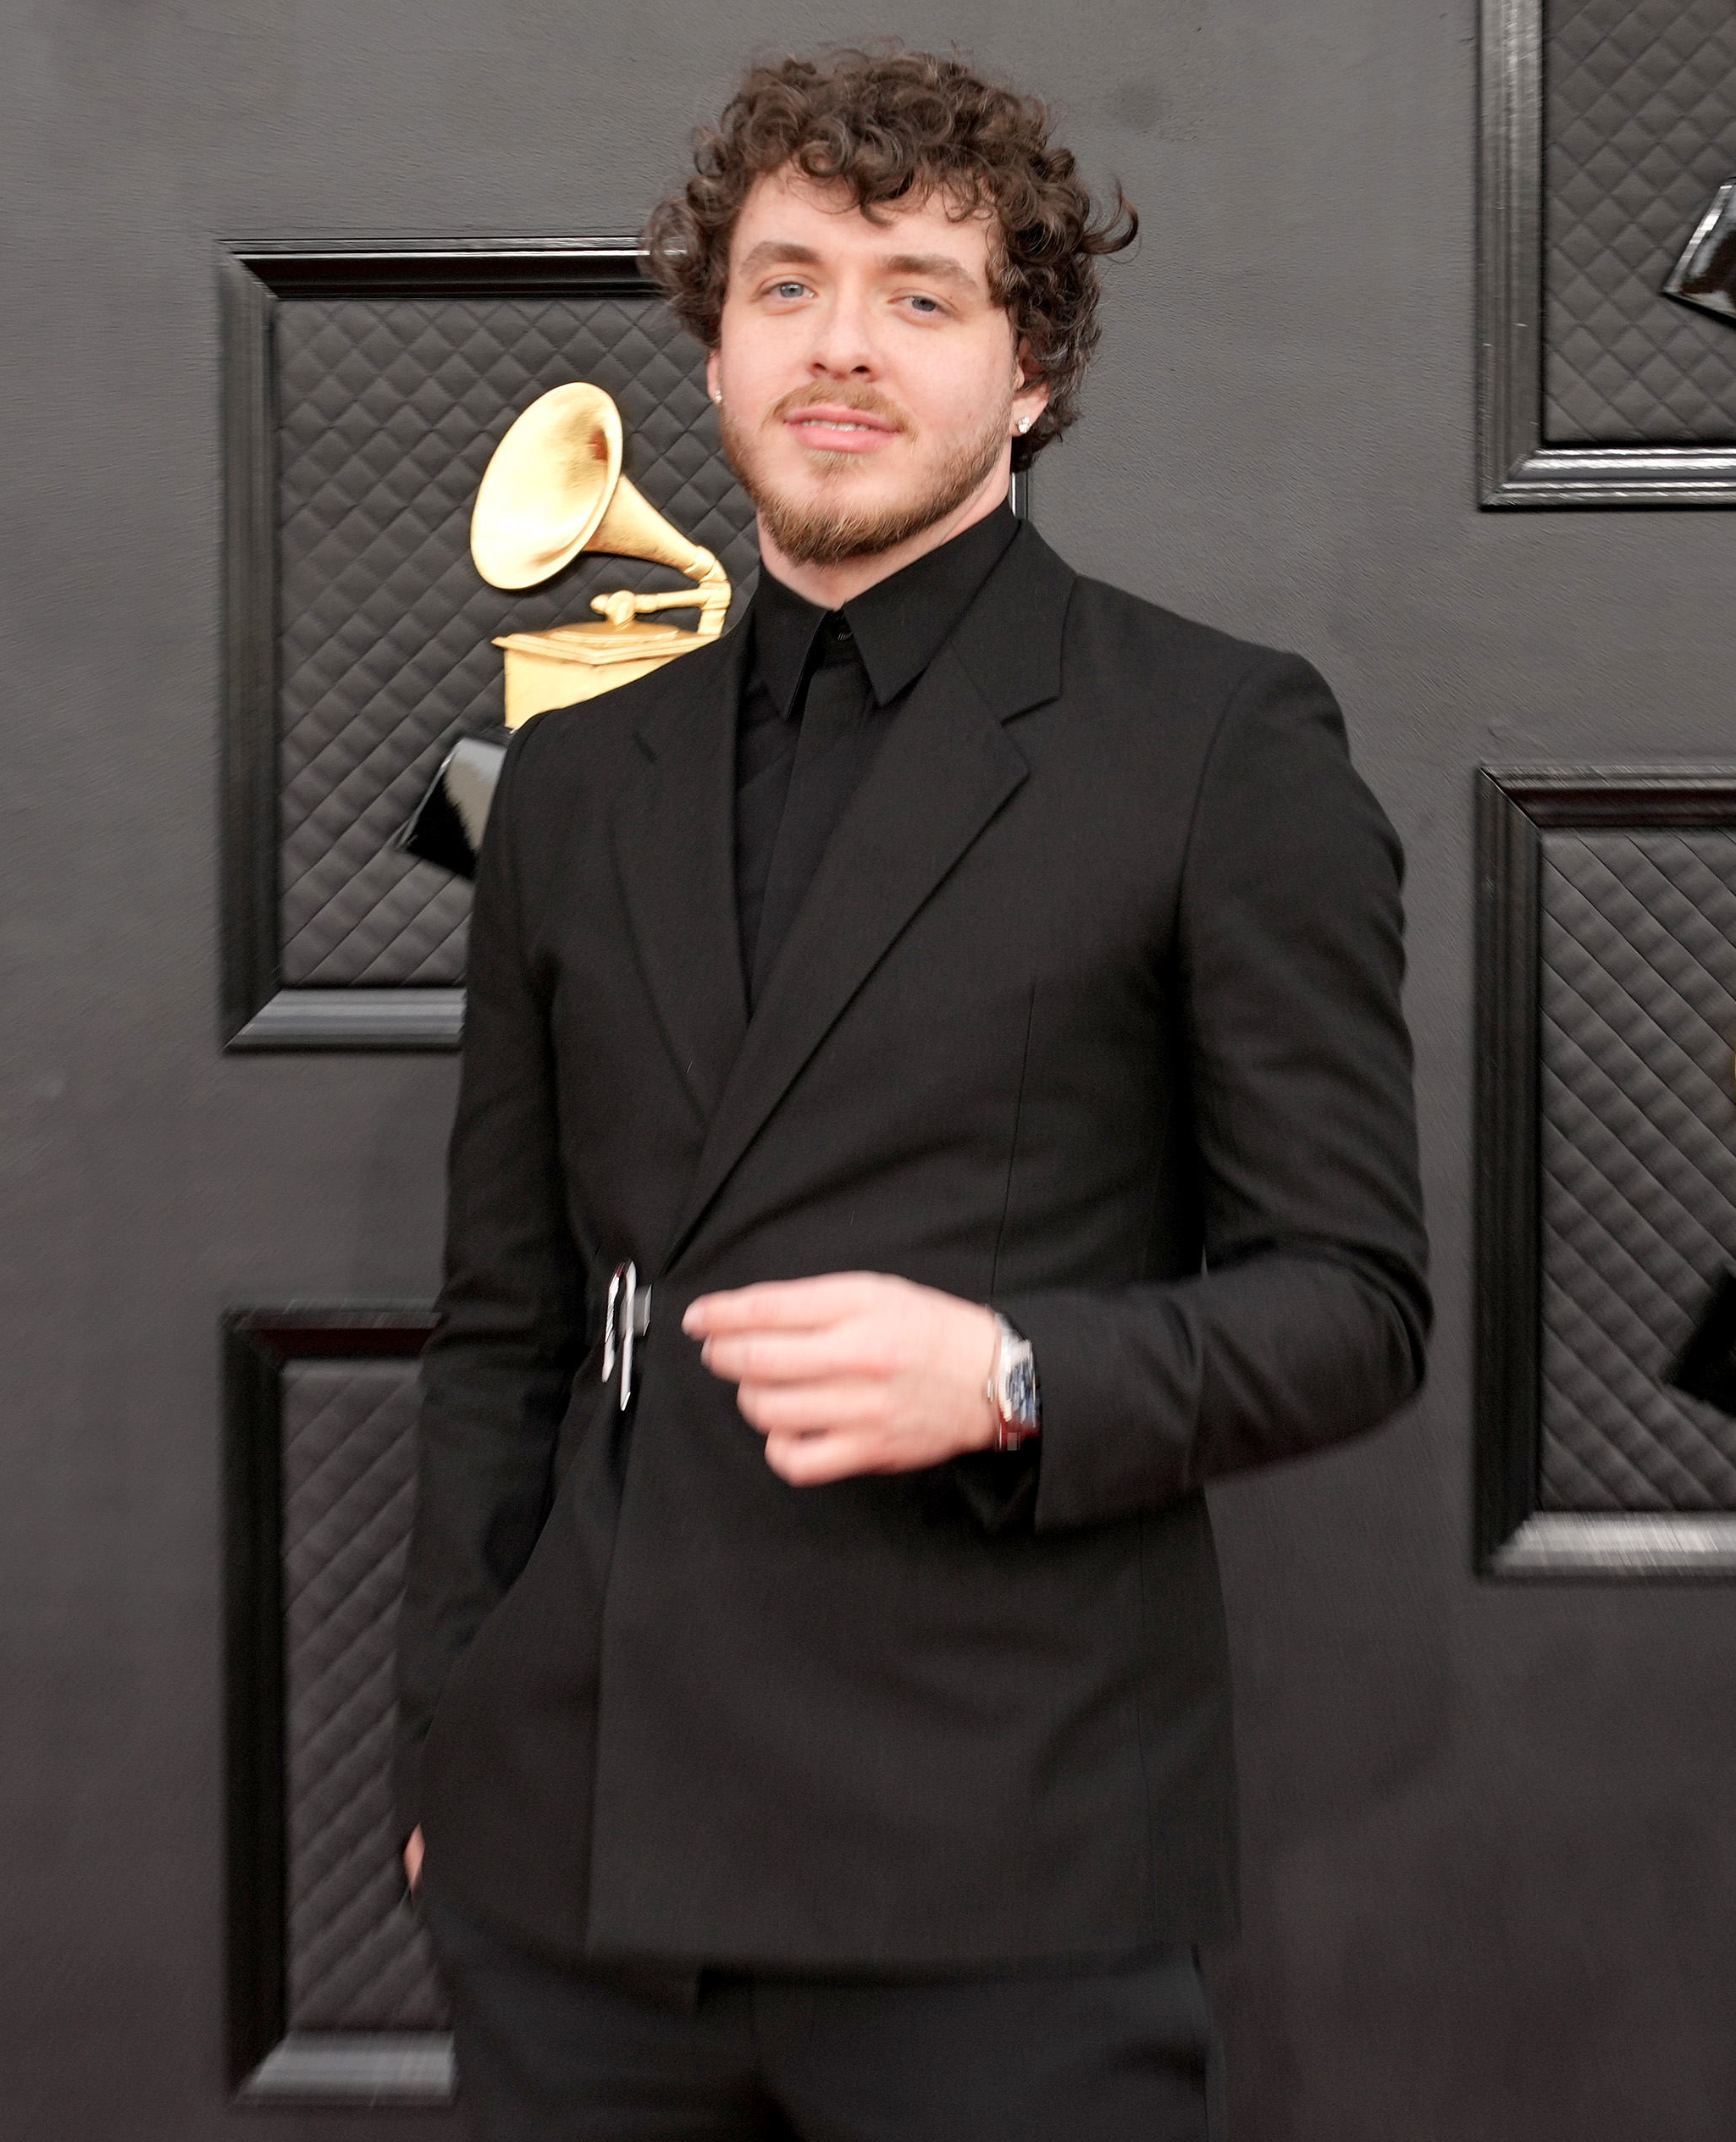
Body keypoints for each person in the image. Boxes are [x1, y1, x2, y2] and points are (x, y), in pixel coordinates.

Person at [395, 45, 1428, 2141]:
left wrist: (1016, 1371)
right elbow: (502, 1319)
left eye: (917, 293)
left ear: (1029, 369)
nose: (839, 346)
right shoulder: (580, 780)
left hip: (1000, 1886)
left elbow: (1354, 1299)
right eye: (783, 285)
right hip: (576, 1882)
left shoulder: (1222, 743)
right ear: (712, 349)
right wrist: (452, 1748)